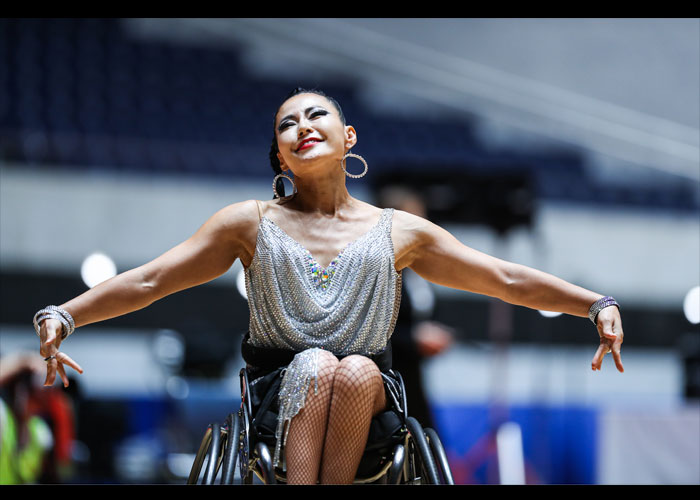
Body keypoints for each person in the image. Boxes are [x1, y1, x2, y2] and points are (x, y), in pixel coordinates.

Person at [35, 87, 625, 485]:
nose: (302, 126)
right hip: (276, 400)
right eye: (287, 124)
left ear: (349, 139)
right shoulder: (249, 223)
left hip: (368, 406)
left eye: (316, 115)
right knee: (318, 364)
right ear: (282, 158)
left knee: (360, 370)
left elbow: (505, 277)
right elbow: (152, 279)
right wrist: (66, 314)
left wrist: (595, 304)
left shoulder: (400, 232)